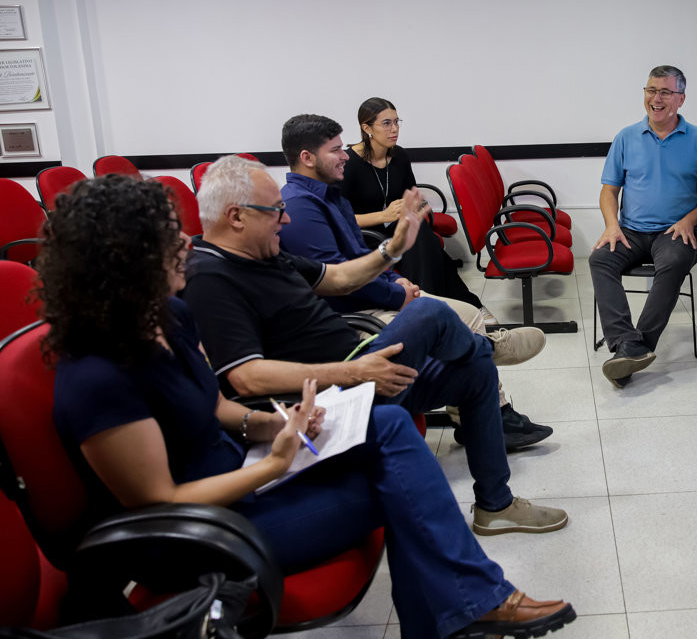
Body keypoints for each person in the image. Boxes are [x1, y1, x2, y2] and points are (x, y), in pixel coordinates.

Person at [44, 174, 576, 638]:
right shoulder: (97, 374)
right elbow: (160, 500)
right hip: (203, 534)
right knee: (402, 482)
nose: (185, 240)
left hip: (245, 472)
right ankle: (470, 607)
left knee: (390, 425)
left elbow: (217, 408)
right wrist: (274, 463)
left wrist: (277, 425)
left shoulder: (166, 319)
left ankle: (462, 612)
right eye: (168, 235)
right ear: (126, 258)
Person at [182, 154, 569, 537]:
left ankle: (495, 506)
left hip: (359, 365)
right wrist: (353, 371)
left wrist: (392, 249)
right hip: (333, 395)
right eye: (275, 211)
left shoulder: (263, 253)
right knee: (428, 314)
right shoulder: (211, 279)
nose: (285, 220)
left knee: (476, 371)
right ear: (236, 217)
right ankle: (488, 345)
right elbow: (246, 377)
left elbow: (338, 279)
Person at [277, 113, 553, 451]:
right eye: (335, 150)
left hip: (375, 294)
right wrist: (396, 295)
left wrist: (398, 279)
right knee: (456, 323)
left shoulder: (331, 196)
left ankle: (477, 409)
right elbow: (341, 282)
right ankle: (493, 377)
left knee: (469, 313)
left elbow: (361, 253)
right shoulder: (300, 209)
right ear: (307, 158)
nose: (345, 155)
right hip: (355, 313)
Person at [589, 65, 697, 388]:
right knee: (600, 259)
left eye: (665, 92)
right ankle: (626, 343)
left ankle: (634, 351)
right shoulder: (626, 137)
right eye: (651, 90)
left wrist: (690, 220)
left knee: (675, 261)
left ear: (681, 99)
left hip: (675, 231)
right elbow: (609, 191)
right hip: (631, 231)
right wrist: (611, 225)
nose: (657, 98)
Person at [341, 96, 489, 314]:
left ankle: (438, 306)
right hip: (365, 235)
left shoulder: (399, 156)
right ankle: (446, 307)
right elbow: (339, 218)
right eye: (386, 123)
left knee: (421, 235)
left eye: (396, 122)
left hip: (395, 228)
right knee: (423, 244)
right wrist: (384, 215)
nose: (394, 129)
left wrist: (414, 208)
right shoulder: (348, 164)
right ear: (367, 128)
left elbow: (410, 195)